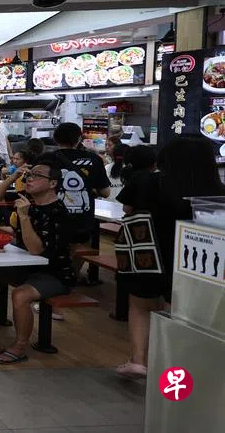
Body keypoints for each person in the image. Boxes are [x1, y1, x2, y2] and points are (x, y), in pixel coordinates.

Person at [114, 135, 223, 379]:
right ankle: (172, 363)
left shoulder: (146, 180)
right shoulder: (216, 189)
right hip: (194, 259)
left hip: (148, 252)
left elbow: (127, 208)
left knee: (140, 305)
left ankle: (139, 360)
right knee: (179, 311)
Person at [0, 162, 74, 365]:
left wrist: (24, 217)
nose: (30, 179)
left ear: (53, 183)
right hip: (25, 265)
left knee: (20, 295)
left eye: (37, 175)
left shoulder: (58, 212)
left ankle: (19, 346)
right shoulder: (27, 199)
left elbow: (36, 250)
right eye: (30, 174)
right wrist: (13, 177)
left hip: (54, 273)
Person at [38, 122, 111, 283]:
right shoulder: (94, 159)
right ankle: (71, 276)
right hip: (82, 217)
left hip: (50, 215)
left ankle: (52, 280)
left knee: (51, 245)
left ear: (55, 138)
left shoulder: (46, 159)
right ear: (79, 139)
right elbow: (105, 192)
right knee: (81, 244)